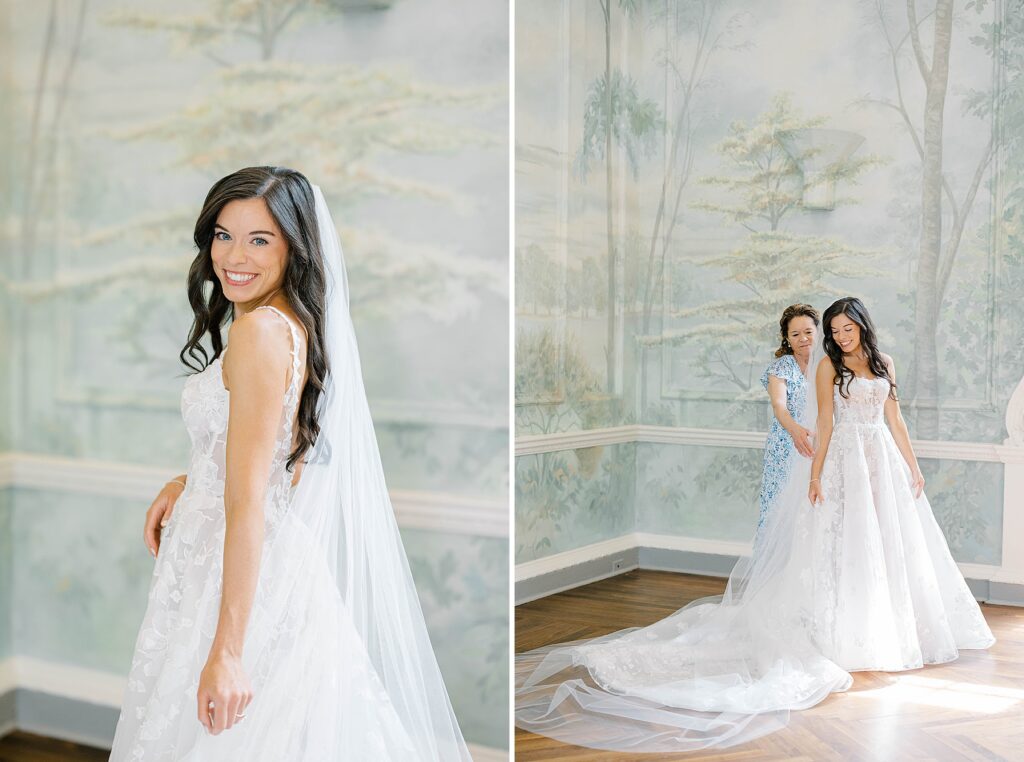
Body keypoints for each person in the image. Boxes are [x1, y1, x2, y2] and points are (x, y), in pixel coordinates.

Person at [514, 296, 995, 754]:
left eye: (846, 329)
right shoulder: (829, 365)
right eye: (833, 331)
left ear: (864, 326)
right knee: (842, 545)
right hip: (843, 459)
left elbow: (897, 420)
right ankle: (843, 630)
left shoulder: (886, 362)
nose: (840, 337)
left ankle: (885, 627)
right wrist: (815, 473)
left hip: (881, 461)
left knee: (886, 544)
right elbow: (824, 424)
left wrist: (913, 466)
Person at [110, 166, 470, 760]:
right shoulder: (290, 327)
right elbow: (284, 459)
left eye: (260, 239)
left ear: (294, 247)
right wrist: (189, 479)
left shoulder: (258, 335)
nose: (234, 256)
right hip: (252, 557)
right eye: (223, 235)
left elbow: (251, 498)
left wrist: (228, 651)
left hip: (238, 571)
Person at [756, 304, 818, 548]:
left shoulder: (829, 366)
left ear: (818, 331)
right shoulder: (781, 367)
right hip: (785, 447)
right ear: (787, 339)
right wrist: (795, 431)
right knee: (781, 508)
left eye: (808, 332)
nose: (803, 339)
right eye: (795, 334)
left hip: (819, 444)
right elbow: (779, 406)